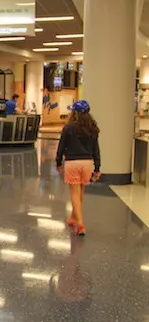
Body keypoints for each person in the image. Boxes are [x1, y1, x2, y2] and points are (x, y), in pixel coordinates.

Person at [55, 100, 101, 236]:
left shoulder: (69, 127)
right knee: (80, 191)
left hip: (72, 163)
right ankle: (73, 217)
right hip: (87, 163)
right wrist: (97, 167)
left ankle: (80, 223)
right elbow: (96, 149)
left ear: (74, 112)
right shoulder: (93, 128)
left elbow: (61, 146)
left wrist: (58, 162)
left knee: (74, 193)